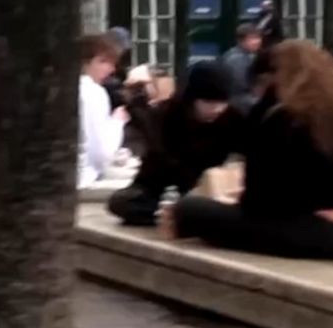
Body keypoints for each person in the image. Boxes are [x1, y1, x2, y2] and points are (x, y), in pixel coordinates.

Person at [165, 42, 333, 261]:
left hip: (310, 231)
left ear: (269, 79)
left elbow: (260, 201)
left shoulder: (283, 116)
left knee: (190, 209)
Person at [107, 61, 244, 226]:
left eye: (222, 103)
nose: (216, 109)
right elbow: (157, 160)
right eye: (209, 103)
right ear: (193, 99)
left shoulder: (233, 119)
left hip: (208, 188)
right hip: (162, 187)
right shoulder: (167, 115)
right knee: (121, 202)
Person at [79, 33, 130, 188]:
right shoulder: (94, 93)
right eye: (103, 61)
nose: (111, 69)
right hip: (85, 179)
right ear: (86, 62)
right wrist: (117, 121)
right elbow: (102, 153)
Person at [220, 22, 263, 110]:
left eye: (258, 38)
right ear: (241, 41)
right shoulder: (237, 59)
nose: (257, 41)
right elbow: (241, 85)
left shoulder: (246, 55)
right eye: (252, 38)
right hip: (239, 101)